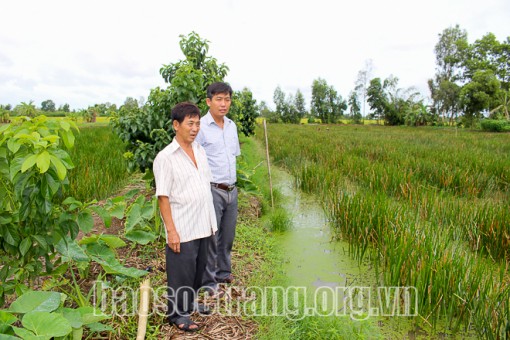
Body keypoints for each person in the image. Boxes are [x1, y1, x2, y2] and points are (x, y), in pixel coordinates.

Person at [153, 102, 217, 332]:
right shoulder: (166, 157)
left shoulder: (199, 150)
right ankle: (177, 315)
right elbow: (163, 196)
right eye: (190, 123)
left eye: (198, 123)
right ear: (176, 125)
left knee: (199, 271)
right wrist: (171, 230)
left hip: (204, 222)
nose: (195, 128)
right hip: (184, 225)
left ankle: (189, 304)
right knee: (181, 273)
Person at [196, 82, 241, 294]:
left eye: (227, 99)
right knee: (210, 236)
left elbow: (233, 156)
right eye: (219, 99)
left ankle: (223, 272)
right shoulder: (201, 127)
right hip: (212, 189)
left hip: (232, 189)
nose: (224, 104)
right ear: (209, 101)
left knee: (228, 235)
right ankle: (208, 281)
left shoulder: (232, 126)